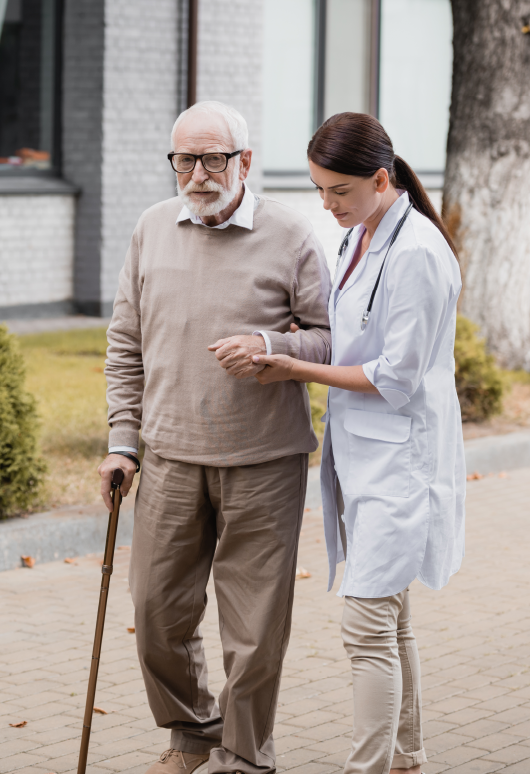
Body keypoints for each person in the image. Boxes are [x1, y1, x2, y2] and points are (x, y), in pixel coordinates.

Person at [98, 101, 333, 774]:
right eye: (184, 160)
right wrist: (123, 440)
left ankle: (245, 755)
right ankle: (192, 732)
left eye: (213, 159)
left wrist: (270, 344)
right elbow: (125, 345)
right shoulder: (150, 229)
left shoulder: (290, 234)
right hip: (169, 456)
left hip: (264, 462)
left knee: (254, 631)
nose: (198, 175)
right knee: (157, 616)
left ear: (244, 162)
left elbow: (330, 337)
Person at [252, 112, 467, 774]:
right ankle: (406, 758)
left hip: (402, 464)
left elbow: (396, 377)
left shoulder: (419, 254)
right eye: (318, 189)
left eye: (338, 191)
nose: (326, 204)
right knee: (390, 622)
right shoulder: (360, 237)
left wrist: (293, 368)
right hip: (365, 457)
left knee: (366, 626)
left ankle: (367, 767)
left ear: (381, 179)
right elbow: (356, 334)